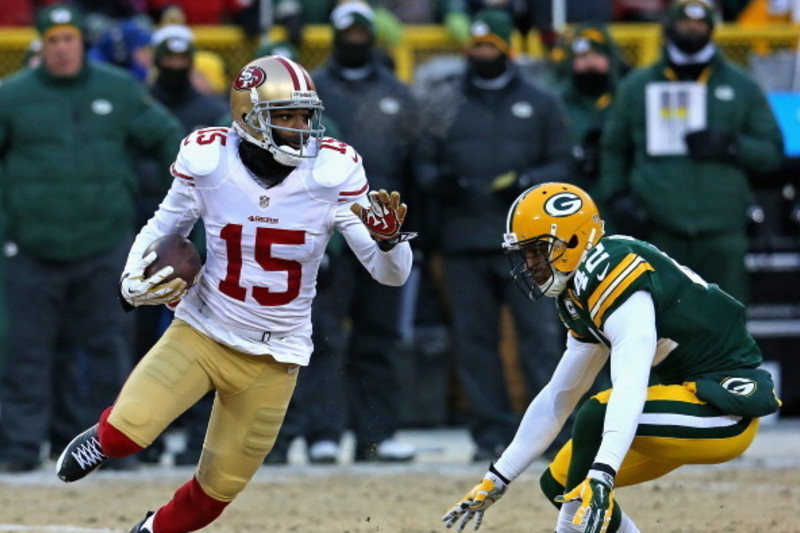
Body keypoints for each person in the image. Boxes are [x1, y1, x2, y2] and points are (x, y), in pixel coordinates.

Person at [54, 54, 414, 533]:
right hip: (203, 329)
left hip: (277, 353)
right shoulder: (210, 159)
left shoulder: (333, 171)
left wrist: (390, 244)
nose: (300, 128)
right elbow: (165, 226)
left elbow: (391, 275)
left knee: (213, 496)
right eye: (284, 116)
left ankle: (149, 530)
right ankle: (102, 437)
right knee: (124, 435)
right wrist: (130, 277)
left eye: (305, 115)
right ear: (248, 117)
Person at [442, 182, 780, 533]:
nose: (530, 265)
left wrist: (602, 474)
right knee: (559, 483)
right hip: (681, 399)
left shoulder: (613, 270)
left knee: (594, 423)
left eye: (538, 251)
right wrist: (498, 477)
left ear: (573, 240)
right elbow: (559, 397)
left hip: (722, 406)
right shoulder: (578, 291)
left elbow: (629, 384)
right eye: (525, 254)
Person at [0, 3, 183, 473]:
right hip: (30, 245)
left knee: (108, 348)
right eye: (53, 41)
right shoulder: (12, 97)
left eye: (69, 40)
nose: (62, 49)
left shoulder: (118, 89)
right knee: (25, 352)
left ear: (82, 42)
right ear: (41, 45)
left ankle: (113, 447)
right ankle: (21, 446)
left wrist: (170, 212)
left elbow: (170, 141)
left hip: (104, 241)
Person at [417, 7, 572, 462]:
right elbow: (422, 164)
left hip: (529, 246)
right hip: (463, 239)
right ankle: (490, 432)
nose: (482, 54)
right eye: (476, 46)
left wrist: (531, 179)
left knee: (541, 339)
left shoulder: (541, 102)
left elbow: (563, 164)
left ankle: (553, 431)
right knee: (474, 342)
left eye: (491, 46)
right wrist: (439, 181)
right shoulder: (443, 102)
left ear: (508, 50)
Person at [599, 0, 784, 304]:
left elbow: (772, 151)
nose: (692, 28)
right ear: (668, 26)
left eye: (700, 23)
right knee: (660, 329)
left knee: (726, 327)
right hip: (659, 230)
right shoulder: (637, 86)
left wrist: (730, 145)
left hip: (722, 232)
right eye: (685, 22)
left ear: (712, 28)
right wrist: (617, 199)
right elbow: (613, 149)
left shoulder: (742, 86)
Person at [307, 1, 420, 463]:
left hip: (383, 225)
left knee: (379, 335)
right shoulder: (313, 91)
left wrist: (411, 230)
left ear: (373, 35)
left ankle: (376, 434)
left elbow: (416, 166)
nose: (354, 37)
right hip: (326, 226)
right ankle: (323, 433)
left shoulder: (398, 93)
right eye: (346, 30)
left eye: (361, 30)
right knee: (323, 335)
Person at [555, 21, 627, 198]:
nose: (590, 62)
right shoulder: (556, 102)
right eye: (582, 57)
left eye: (597, 55)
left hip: (619, 204)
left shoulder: (626, 99)